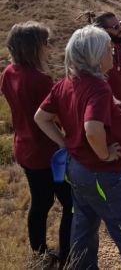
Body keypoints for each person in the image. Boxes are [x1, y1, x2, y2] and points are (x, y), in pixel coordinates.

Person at [34, 25, 121, 270]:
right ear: (95, 56)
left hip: (77, 169)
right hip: (101, 173)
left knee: (84, 228)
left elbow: (41, 117)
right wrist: (105, 154)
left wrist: (66, 143)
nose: (113, 54)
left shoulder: (67, 83)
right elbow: (93, 129)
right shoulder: (97, 87)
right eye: (108, 49)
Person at [0, 22, 72, 268]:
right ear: (34, 48)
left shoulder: (9, 72)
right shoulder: (40, 80)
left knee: (40, 202)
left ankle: (39, 253)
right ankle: (68, 257)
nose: (49, 48)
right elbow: (55, 115)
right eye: (45, 43)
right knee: (71, 202)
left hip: (24, 147)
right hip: (47, 152)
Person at [81, 11, 121, 115]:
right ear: (103, 30)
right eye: (115, 27)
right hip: (103, 104)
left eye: (120, 24)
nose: (120, 29)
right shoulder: (99, 50)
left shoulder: (119, 46)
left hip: (120, 102)